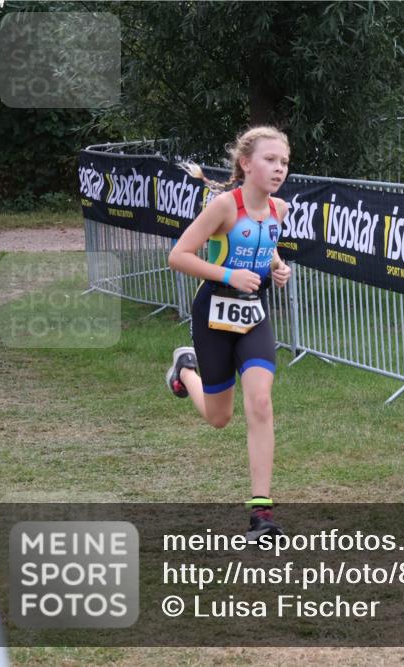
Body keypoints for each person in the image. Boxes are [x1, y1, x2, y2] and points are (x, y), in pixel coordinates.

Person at [166, 126, 292, 540]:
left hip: (254, 316)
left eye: (284, 162)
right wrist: (229, 274)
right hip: (213, 316)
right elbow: (179, 256)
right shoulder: (224, 206)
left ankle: (262, 514)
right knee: (220, 417)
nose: (278, 169)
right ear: (245, 163)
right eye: (270, 160)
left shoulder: (280, 210)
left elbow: (266, 242)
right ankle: (186, 370)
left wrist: (277, 265)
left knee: (260, 400)